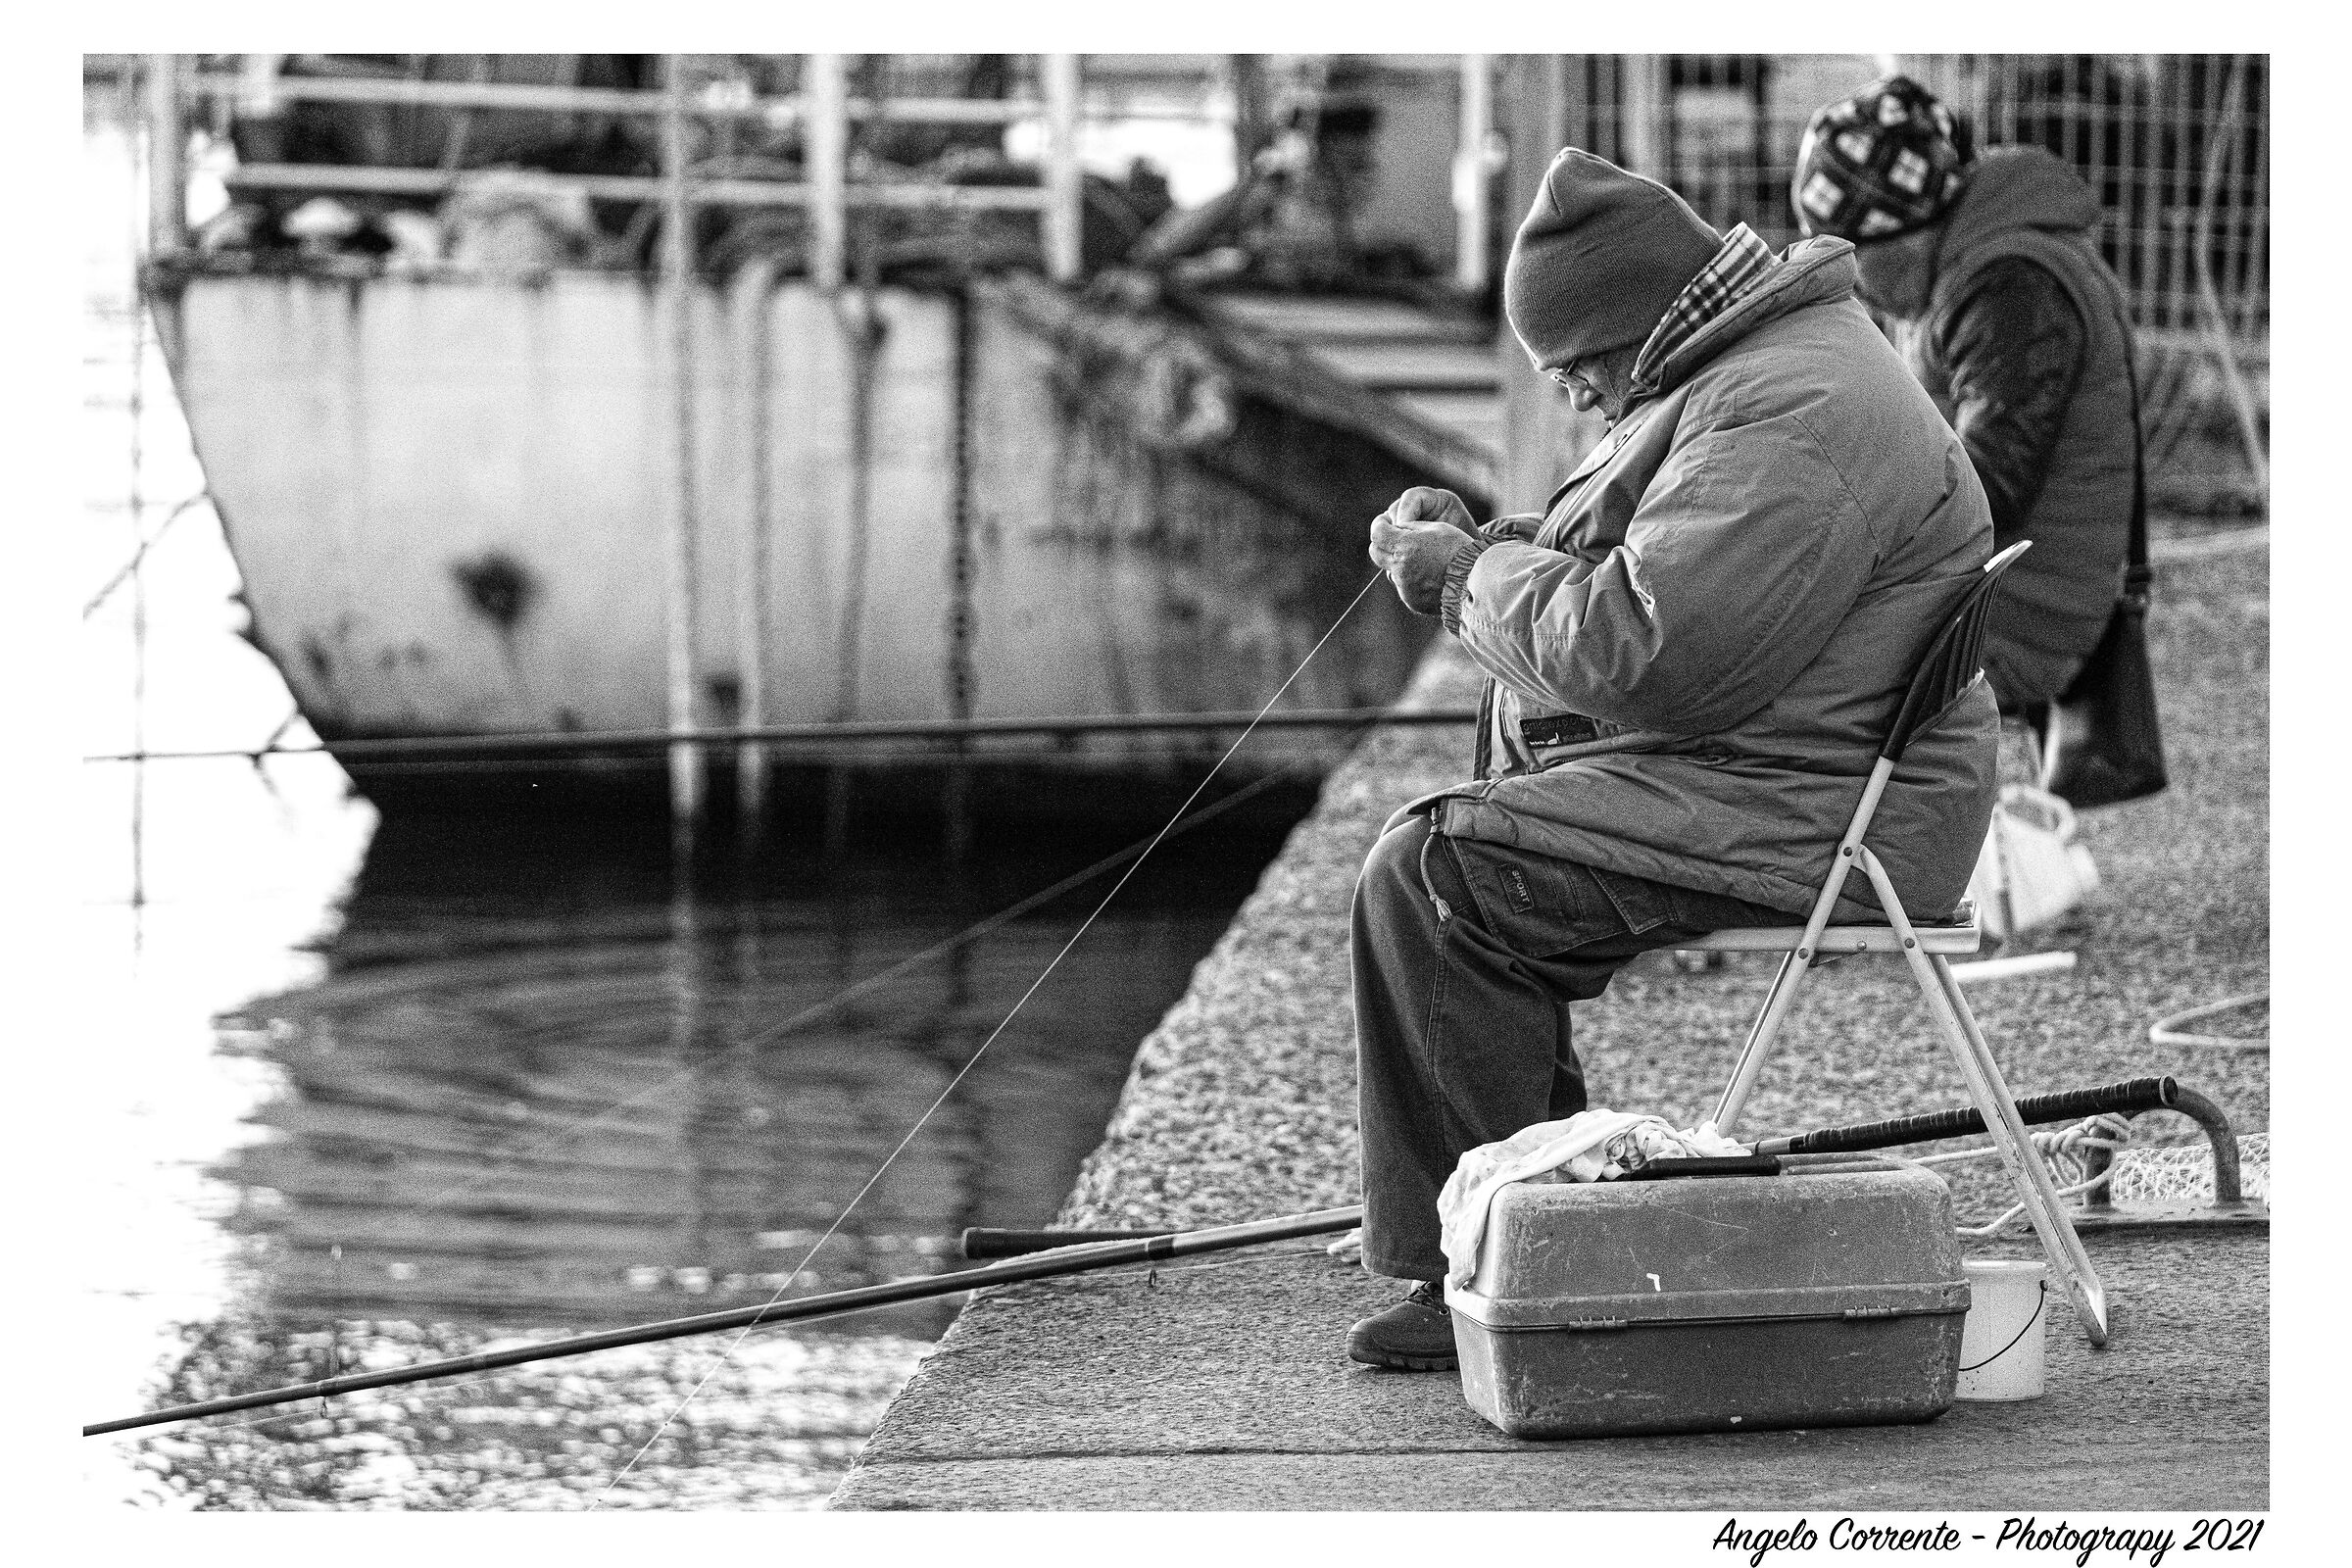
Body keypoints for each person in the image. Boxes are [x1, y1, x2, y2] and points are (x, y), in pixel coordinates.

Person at [1348, 148, 1999, 1370]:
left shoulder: (1788, 410)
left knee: (1434, 878)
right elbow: (1660, 565)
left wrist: (1467, 582)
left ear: (1633, 326)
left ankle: (1481, 1260)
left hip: (1818, 812)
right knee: (1457, 865)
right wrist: (1495, 544)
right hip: (1796, 773)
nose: (1583, 398)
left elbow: (1659, 653)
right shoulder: (1751, 368)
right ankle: (1524, 1218)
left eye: (1580, 368)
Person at [1790, 75, 2137, 722]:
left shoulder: (2007, 287)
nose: (1857, 288)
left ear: (1902, 231)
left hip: (2020, 613)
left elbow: (1988, 485)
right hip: (1989, 591)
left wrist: (1835, 516)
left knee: (1774, 671)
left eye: (1852, 260)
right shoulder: (1969, 270)